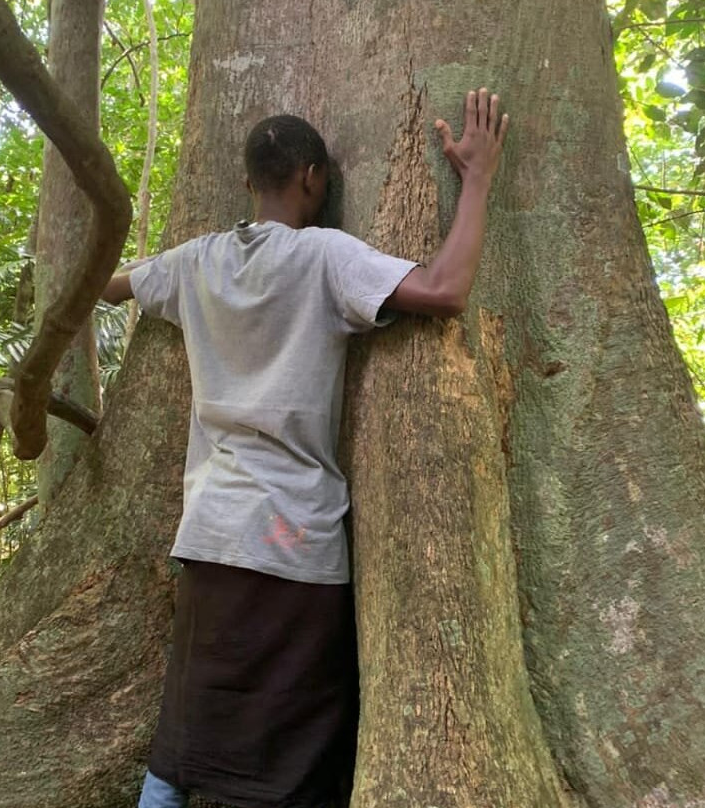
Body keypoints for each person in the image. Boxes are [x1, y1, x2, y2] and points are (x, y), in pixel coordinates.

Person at [103, 88, 508, 808]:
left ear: (248, 182)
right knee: (291, 758)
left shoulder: (196, 262)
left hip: (211, 533)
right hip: (293, 542)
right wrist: (476, 177)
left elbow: (108, 288)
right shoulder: (324, 256)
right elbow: (445, 291)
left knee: (183, 741)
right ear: (313, 178)